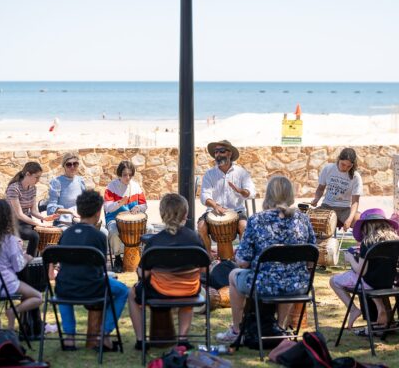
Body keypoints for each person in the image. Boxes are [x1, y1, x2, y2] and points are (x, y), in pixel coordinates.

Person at [216, 176, 315, 343]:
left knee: (233, 274)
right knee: (286, 277)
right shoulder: (303, 220)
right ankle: (281, 329)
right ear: (290, 195)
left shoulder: (256, 220)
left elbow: (243, 262)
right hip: (298, 286)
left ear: (269, 195)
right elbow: (311, 259)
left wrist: (240, 255)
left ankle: (236, 329)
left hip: (263, 285)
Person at [128, 193, 206, 350]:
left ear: (162, 214)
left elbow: (143, 274)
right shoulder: (195, 238)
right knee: (187, 295)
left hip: (160, 291)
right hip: (189, 290)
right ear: (185, 214)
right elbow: (204, 269)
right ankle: (183, 339)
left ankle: (141, 340)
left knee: (132, 294)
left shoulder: (155, 241)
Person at [56, 190, 128, 351]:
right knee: (123, 290)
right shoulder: (99, 236)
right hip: (92, 288)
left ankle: (69, 338)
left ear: (79, 211)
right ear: (97, 212)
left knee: (61, 288)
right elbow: (99, 268)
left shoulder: (66, 234)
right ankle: (104, 332)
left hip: (66, 288)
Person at [0, 199, 42, 330]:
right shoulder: (11, 241)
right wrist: (26, 257)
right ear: (8, 218)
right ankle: (12, 314)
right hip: (4, 284)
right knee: (38, 297)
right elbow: (18, 267)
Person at [329, 209, 399, 330]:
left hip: (369, 282)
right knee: (371, 281)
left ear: (366, 226)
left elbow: (361, 270)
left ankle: (353, 310)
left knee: (334, 281)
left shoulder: (367, 243)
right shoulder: (395, 241)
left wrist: (350, 258)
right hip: (388, 282)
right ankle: (380, 308)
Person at [197, 140, 256, 255]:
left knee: (244, 226)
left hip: (237, 211)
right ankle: (208, 257)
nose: (218, 155)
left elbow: (252, 192)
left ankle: (242, 256)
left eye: (222, 151)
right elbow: (204, 195)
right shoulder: (210, 174)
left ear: (229, 154)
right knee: (201, 227)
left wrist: (241, 191)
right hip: (213, 211)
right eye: (216, 152)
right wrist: (215, 205)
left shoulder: (241, 172)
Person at [104, 160, 151, 273]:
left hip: (133, 219)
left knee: (150, 229)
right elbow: (107, 208)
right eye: (125, 175)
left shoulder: (136, 186)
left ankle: (143, 257)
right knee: (114, 231)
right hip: (114, 219)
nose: (128, 177)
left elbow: (144, 205)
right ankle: (118, 258)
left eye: (130, 174)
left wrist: (138, 208)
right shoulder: (111, 187)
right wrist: (119, 203)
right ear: (119, 174)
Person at [311, 147, 362, 231]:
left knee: (361, 222)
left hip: (344, 209)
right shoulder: (328, 169)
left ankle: (360, 243)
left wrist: (349, 219)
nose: (345, 168)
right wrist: (316, 199)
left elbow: (355, 202)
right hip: (326, 207)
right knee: (308, 220)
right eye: (343, 164)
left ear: (353, 165)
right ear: (339, 159)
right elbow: (320, 189)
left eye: (349, 166)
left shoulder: (356, 177)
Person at [6, 162, 50, 257]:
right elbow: (19, 214)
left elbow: (33, 211)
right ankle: (29, 261)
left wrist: (45, 219)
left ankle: (40, 260)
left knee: (45, 233)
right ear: (28, 174)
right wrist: (38, 224)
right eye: (36, 177)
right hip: (12, 222)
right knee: (34, 235)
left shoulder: (33, 188)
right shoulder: (13, 188)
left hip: (26, 221)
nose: (38, 180)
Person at [47, 152, 86, 226]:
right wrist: (70, 212)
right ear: (64, 166)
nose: (72, 167)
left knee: (104, 232)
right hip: (63, 223)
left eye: (75, 164)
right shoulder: (57, 182)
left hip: (80, 220)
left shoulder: (80, 180)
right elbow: (50, 209)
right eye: (69, 164)